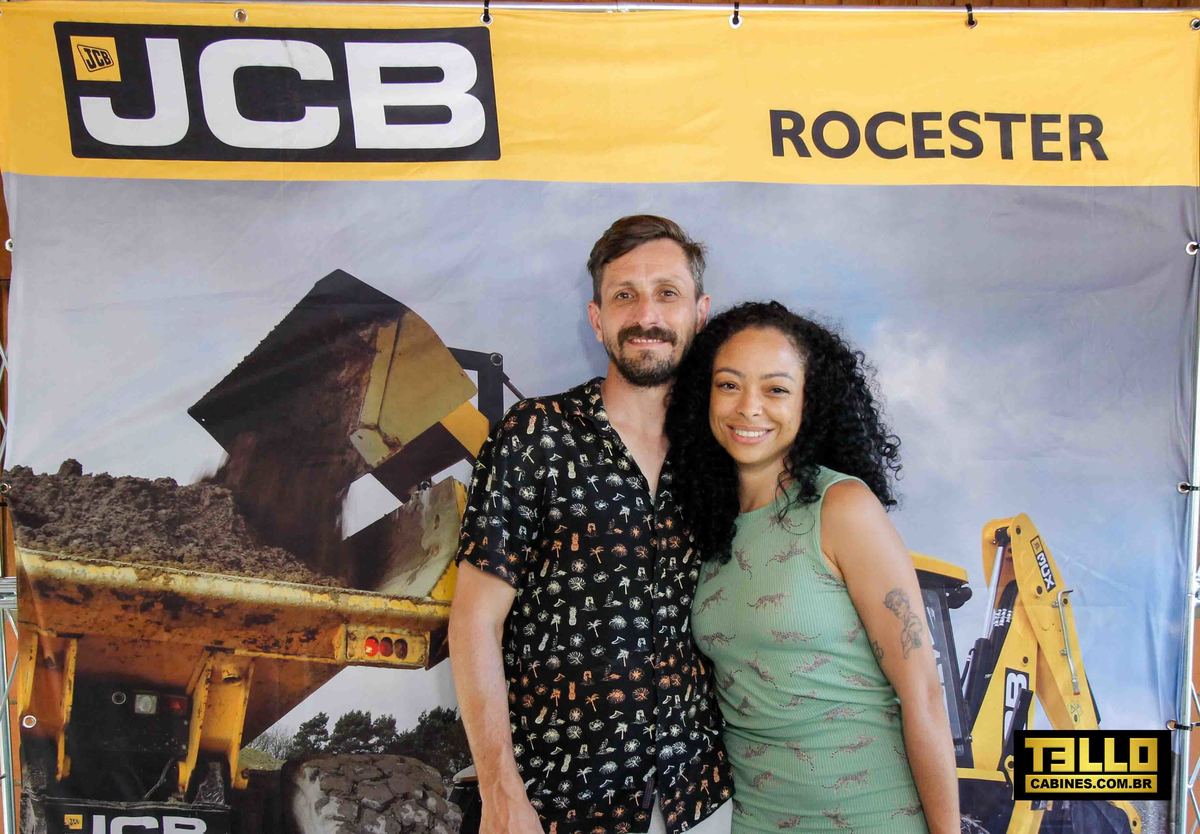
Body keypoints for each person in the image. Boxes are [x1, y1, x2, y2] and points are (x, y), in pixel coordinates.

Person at [449, 216, 734, 834]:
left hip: (702, 801)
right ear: (597, 318)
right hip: (558, 806)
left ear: (700, 312)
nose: (646, 315)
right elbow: (474, 620)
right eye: (624, 295)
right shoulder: (534, 436)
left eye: (667, 293)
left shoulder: (721, 453)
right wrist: (500, 792)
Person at [666, 301, 959, 834]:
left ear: (809, 401)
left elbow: (923, 695)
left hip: (873, 819)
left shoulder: (841, 508)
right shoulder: (706, 526)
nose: (748, 407)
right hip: (758, 823)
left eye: (776, 389)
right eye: (729, 385)